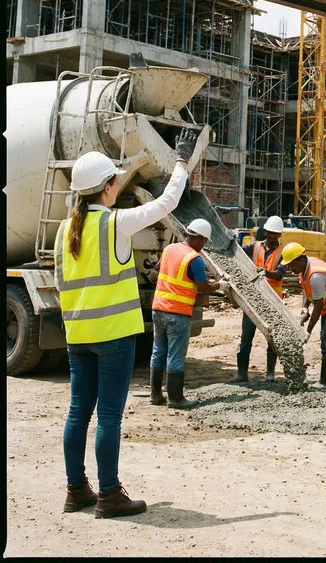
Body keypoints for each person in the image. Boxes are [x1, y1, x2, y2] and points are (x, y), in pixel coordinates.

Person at [55, 128, 197, 518]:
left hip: (77, 335)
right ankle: (109, 494)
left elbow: (60, 284)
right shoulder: (115, 223)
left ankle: (75, 490)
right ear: (108, 186)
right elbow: (168, 202)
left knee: (78, 412)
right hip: (114, 337)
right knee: (110, 417)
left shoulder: (64, 231)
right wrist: (181, 161)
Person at [150, 218, 221, 409]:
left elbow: (158, 269)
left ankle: (155, 394)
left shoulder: (169, 249)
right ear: (199, 238)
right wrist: (220, 285)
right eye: (204, 242)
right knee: (175, 355)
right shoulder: (194, 259)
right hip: (178, 313)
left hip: (158, 309)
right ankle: (175, 398)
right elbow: (204, 287)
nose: (204, 246)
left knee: (158, 352)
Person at [281, 242, 326, 389]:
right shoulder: (304, 269)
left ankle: (325, 382)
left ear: (299, 260)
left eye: (291, 264)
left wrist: (307, 331)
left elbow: (318, 307)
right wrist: (304, 308)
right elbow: (306, 291)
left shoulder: (316, 275)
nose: (289, 268)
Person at [232, 215, 287, 383]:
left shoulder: (283, 253)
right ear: (266, 231)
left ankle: (270, 373)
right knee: (246, 337)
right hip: (253, 300)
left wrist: (265, 272)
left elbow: (279, 275)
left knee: (271, 338)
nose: (272, 236)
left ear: (279, 235)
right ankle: (242, 374)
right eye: (270, 232)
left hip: (272, 302)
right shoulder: (255, 246)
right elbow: (239, 251)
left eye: (275, 234)